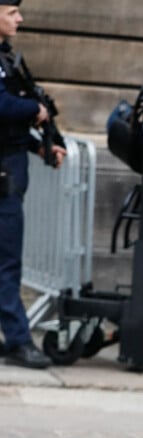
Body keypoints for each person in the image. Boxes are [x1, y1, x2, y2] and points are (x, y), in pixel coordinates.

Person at [0, 0, 66, 369]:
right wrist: (34, 110)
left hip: (9, 171)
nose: (19, 18)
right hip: (3, 181)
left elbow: (7, 132)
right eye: (11, 12)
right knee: (7, 265)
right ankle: (19, 340)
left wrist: (41, 148)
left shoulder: (6, 58)